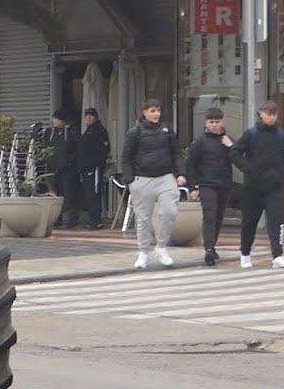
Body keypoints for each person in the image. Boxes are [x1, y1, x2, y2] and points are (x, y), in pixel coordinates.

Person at [120, 98, 187, 269]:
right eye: (152, 111)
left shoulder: (167, 130)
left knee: (170, 211)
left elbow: (176, 152)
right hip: (142, 179)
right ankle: (143, 252)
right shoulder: (135, 132)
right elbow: (126, 157)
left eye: (157, 110)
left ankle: (161, 247)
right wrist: (130, 179)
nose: (156, 114)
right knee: (143, 218)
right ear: (144, 112)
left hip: (165, 177)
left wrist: (181, 173)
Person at [230, 101, 284, 269]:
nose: (271, 117)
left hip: (274, 186)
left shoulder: (281, 135)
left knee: (276, 220)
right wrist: (246, 168)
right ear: (261, 114)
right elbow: (235, 152)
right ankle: (245, 253)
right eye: (268, 114)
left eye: (274, 114)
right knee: (250, 220)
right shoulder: (251, 134)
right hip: (253, 187)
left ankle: (277, 254)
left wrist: (283, 173)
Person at [187, 107, 235, 266]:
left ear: (222, 122)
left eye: (217, 122)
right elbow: (191, 166)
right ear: (206, 123)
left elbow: (238, 159)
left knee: (219, 216)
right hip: (207, 184)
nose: (214, 125)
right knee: (210, 215)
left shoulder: (227, 140)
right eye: (211, 122)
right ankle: (208, 248)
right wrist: (192, 187)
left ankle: (212, 245)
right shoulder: (199, 143)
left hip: (224, 184)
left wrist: (231, 146)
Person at [75, 107, 111, 229]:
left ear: (96, 117)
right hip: (85, 169)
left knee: (93, 193)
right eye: (86, 116)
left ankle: (96, 220)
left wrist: (96, 163)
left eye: (91, 116)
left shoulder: (99, 131)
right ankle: (92, 219)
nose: (88, 118)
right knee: (88, 194)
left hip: (94, 169)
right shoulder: (87, 131)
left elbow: (105, 149)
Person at [44, 108, 80, 228]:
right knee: (55, 194)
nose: (53, 121)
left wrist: (71, 161)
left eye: (56, 118)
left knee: (69, 195)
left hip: (68, 170)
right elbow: (44, 148)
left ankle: (70, 219)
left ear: (63, 120)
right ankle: (56, 218)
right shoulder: (49, 133)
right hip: (53, 169)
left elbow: (77, 148)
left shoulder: (71, 131)